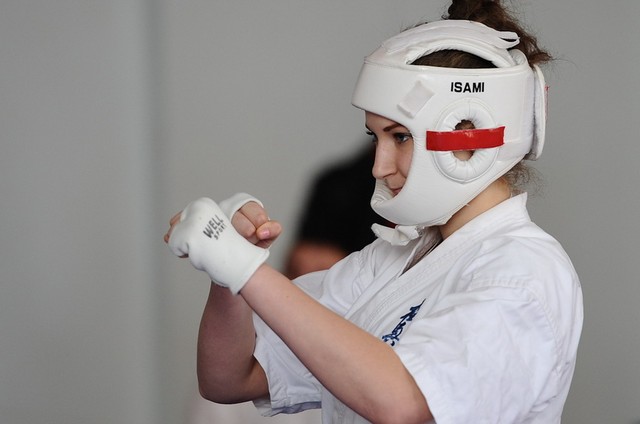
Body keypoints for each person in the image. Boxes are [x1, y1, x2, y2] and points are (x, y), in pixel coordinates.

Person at [164, 1, 584, 422]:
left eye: (399, 137)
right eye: (375, 138)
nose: (378, 167)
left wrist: (246, 270)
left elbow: (403, 403)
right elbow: (229, 380)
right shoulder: (390, 261)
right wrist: (226, 275)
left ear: (471, 132)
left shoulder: (522, 271)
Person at [284, 143, 385, 279]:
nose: (380, 170)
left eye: (400, 138)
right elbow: (307, 258)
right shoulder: (339, 185)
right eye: (374, 137)